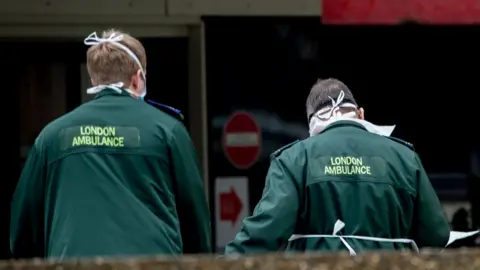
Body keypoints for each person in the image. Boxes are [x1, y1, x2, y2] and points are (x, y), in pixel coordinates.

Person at [10, 30, 211, 259]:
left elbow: (22, 228)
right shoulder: (168, 131)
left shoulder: (52, 136)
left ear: (94, 79)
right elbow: (195, 221)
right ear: (138, 78)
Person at [224, 78, 453, 255]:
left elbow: (264, 234)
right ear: (360, 114)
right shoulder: (405, 158)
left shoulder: (294, 159)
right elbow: (437, 235)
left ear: (312, 124)